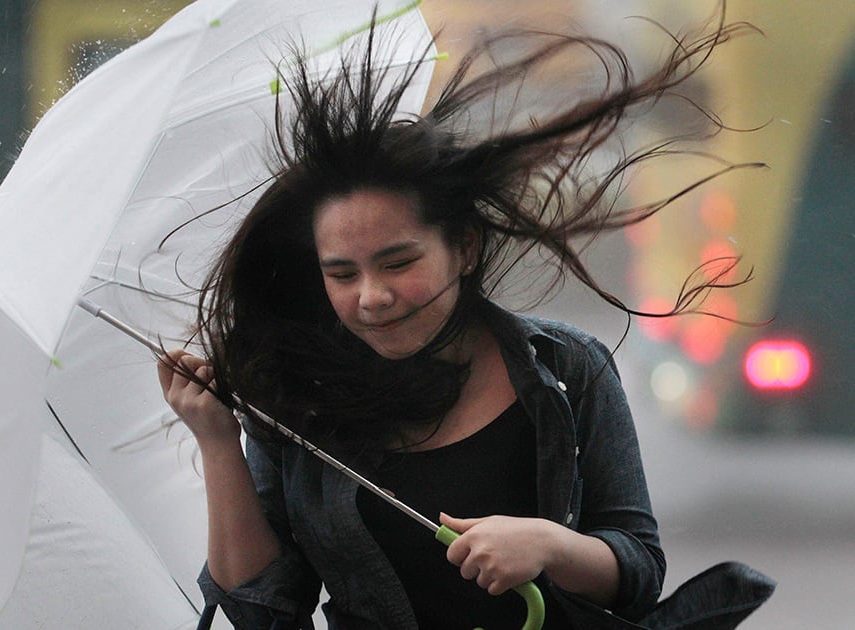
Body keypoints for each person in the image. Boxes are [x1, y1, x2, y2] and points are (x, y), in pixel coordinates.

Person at [157, 5, 772, 629]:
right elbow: (263, 613)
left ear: (466, 248)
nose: (371, 296)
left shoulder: (567, 368)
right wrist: (216, 442)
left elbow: (636, 574)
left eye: (398, 263)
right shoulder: (297, 400)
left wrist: (549, 546)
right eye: (342, 274)